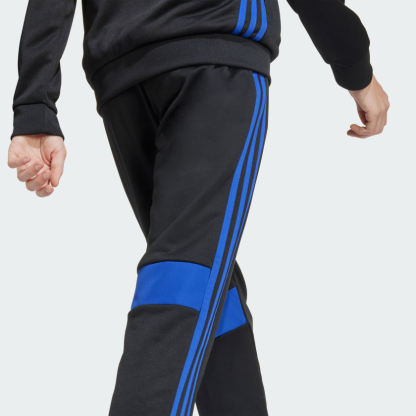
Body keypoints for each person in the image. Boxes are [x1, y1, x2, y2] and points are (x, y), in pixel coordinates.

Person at [7, 1, 389, 415]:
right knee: (185, 276)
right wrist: (355, 66)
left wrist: (34, 105)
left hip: (122, 76)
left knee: (203, 280)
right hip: (214, 49)